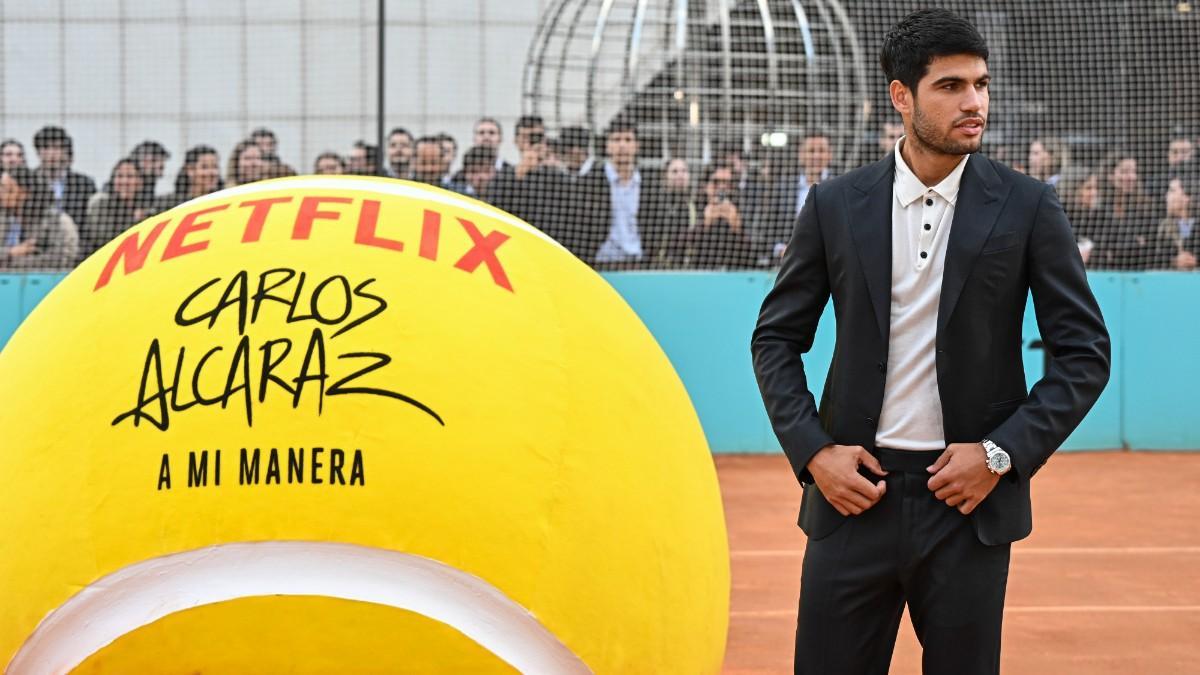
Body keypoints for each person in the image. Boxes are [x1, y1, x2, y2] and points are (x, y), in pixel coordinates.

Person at [752, 9, 1110, 674]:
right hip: (852, 497)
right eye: (950, 86)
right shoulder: (836, 204)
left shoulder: (1028, 206)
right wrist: (814, 451)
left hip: (968, 504)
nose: (973, 102)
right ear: (901, 96)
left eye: (980, 83)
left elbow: (1085, 354)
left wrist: (1001, 453)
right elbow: (775, 338)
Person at [578, 117, 669, 267]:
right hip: (601, 263)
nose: (622, 145)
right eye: (616, 139)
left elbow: (657, 225)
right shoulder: (590, 182)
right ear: (607, 146)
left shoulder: (650, 185)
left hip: (639, 263)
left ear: (637, 146)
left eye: (628, 140)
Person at [763, 131, 833, 262]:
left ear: (830, 155)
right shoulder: (783, 188)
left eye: (822, 150)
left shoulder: (840, 185)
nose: (816, 156)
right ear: (801, 155)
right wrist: (781, 249)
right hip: (788, 263)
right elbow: (768, 230)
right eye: (811, 151)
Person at [0, 166, 79, 269]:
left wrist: (8, 262)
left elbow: (59, 260)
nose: (0, 194)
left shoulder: (57, 222)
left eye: (6, 190)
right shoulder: (3, 220)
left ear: (24, 193)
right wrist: (11, 252)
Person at [683, 163, 752, 268]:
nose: (722, 187)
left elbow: (754, 252)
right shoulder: (692, 208)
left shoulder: (742, 209)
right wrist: (704, 225)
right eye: (716, 182)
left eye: (727, 183)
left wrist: (737, 229)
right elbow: (681, 247)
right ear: (705, 186)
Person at [32, 125, 96, 230]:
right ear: (38, 152)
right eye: (46, 147)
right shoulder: (29, 182)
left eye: (56, 147)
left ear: (66, 151)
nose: (51, 153)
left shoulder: (84, 184)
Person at [83, 158, 147, 259]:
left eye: (130, 176)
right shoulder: (101, 204)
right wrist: (133, 220)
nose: (124, 181)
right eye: (120, 176)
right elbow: (102, 239)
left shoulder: (146, 209)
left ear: (140, 182)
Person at [155, 145, 222, 213]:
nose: (212, 173)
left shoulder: (222, 200)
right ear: (190, 170)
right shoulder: (169, 204)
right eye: (204, 167)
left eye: (215, 167)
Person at [1152, 175, 1199, 270]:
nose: (1167, 197)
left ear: (1186, 197)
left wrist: (1196, 261)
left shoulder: (1195, 224)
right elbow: (1154, 258)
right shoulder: (1163, 226)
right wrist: (1174, 261)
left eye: (1172, 191)